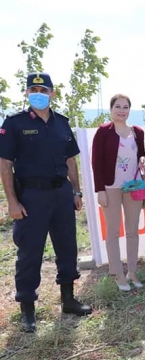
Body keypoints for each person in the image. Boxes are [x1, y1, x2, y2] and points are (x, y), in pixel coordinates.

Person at [0, 72, 92, 333]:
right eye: (33, 90)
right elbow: (5, 164)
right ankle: (28, 309)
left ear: (52, 93)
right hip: (31, 196)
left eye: (43, 90)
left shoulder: (61, 123)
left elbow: (70, 160)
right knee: (30, 252)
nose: (38, 94)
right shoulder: (14, 123)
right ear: (27, 94)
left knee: (67, 246)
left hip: (61, 193)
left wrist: (76, 191)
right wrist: (12, 202)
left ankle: (68, 299)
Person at [91, 94, 145, 291]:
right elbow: (96, 163)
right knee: (113, 231)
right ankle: (118, 274)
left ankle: (132, 271)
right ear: (111, 109)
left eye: (125, 107)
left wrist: (142, 158)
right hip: (110, 187)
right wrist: (100, 190)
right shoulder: (103, 132)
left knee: (133, 230)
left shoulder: (137, 132)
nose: (121, 110)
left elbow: (141, 153)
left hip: (133, 186)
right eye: (118, 106)